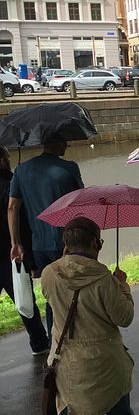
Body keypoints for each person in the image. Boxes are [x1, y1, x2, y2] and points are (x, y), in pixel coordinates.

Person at [42, 216, 139, 415]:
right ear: (95, 243)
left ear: (66, 244)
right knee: (118, 409)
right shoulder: (103, 279)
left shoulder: (49, 274)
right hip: (103, 362)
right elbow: (124, 317)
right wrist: (122, 287)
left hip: (66, 364)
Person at [8, 136, 84, 340]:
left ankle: (54, 343)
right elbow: (81, 203)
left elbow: (12, 207)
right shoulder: (69, 168)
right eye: (65, 141)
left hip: (38, 246)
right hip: (67, 244)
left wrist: (15, 243)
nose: (68, 144)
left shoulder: (21, 170)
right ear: (57, 142)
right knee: (73, 295)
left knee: (51, 297)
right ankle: (73, 342)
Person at [0, 145, 49, 356]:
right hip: (11, 254)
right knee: (25, 299)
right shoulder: (11, 185)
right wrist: (32, 260)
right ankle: (38, 343)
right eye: (8, 157)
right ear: (2, 159)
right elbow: (24, 222)